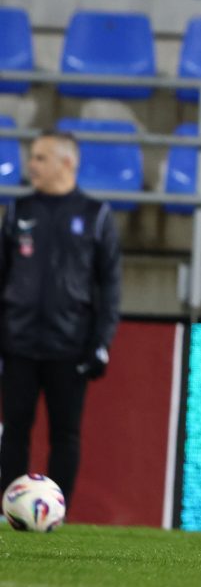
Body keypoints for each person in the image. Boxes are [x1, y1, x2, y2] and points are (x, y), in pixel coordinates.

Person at [0, 130, 121, 509]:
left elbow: (110, 286)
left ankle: (56, 510)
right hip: (18, 343)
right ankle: (9, 509)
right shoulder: (18, 211)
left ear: (67, 162)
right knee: (14, 430)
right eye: (32, 157)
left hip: (70, 347)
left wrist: (101, 343)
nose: (31, 165)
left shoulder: (96, 215)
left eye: (40, 157)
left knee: (65, 434)